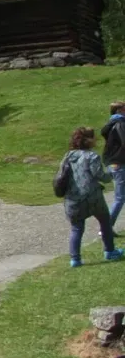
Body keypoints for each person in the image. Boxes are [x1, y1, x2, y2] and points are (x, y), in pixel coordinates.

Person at [60, 126, 125, 268]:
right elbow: (101, 176)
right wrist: (112, 173)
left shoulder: (68, 156)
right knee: (105, 221)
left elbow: (61, 175)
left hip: (72, 198)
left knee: (77, 228)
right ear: (88, 140)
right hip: (92, 197)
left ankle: (75, 259)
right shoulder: (92, 156)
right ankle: (110, 251)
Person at [100, 101, 125, 231]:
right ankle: (106, 228)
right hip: (119, 163)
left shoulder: (111, 124)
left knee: (120, 197)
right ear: (119, 110)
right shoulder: (120, 124)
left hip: (112, 162)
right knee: (119, 198)